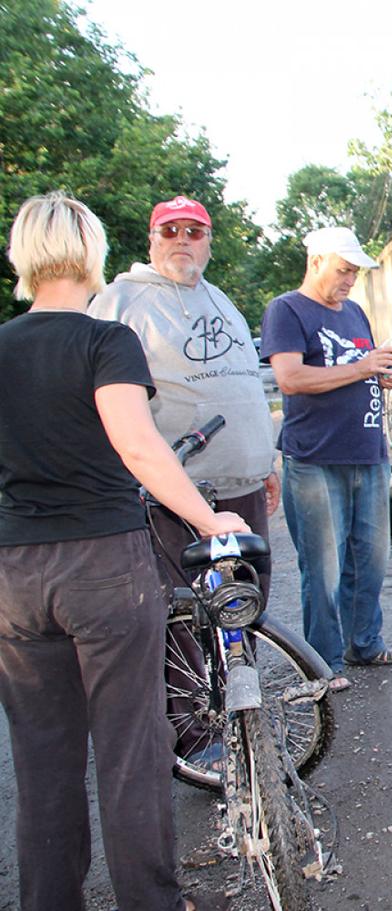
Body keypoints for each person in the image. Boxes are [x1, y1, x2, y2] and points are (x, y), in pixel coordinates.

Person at [0, 191, 248, 911]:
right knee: (131, 751)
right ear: (93, 252)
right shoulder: (104, 341)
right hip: (103, 568)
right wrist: (207, 519)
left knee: (42, 762)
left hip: (15, 576)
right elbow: (138, 445)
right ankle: (151, 901)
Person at [87, 194, 278, 767]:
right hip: (178, 491)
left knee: (247, 601)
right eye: (169, 230)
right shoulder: (121, 300)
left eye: (193, 231)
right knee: (183, 617)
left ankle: (238, 706)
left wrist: (263, 461)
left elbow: (243, 387)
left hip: (240, 484)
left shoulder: (218, 299)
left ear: (208, 241)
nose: (181, 240)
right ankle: (197, 739)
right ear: (151, 240)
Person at [260, 226, 392, 692]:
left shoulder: (356, 313)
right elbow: (290, 378)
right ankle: (323, 664)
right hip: (316, 458)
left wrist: (384, 374)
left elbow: (355, 372)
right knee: (322, 568)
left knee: (371, 560)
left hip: (367, 452)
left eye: (355, 273)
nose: (349, 281)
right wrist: (363, 367)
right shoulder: (286, 309)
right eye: (344, 270)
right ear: (316, 261)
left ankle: (365, 644)